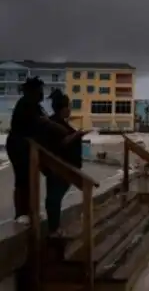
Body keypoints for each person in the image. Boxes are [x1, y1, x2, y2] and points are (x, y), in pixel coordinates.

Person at [7, 77, 80, 224]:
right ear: (32, 91)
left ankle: (30, 210)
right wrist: (62, 131)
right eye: (40, 91)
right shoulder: (25, 104)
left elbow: (44, 123)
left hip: (28, 147)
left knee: (30, 179)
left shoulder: (35, 106)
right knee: (22, 179)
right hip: (17, 145)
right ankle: (20, 213)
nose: (42, 94)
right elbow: (42, 123)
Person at [42, 89, 85, 236]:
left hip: (64, 168)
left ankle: (54, 228)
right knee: (54, 198)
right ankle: (53, 229)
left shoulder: (59, 123)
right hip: (58, 168)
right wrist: (76, 135)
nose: (70, 110)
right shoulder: (53, 124)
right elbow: (59, 144)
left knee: (55, 197)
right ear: (62, 108)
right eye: (68, 107)